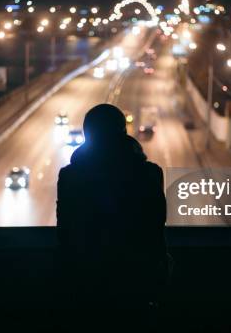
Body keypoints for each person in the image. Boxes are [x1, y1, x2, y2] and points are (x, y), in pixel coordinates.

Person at [56, 104, 169, 316]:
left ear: (87, 135)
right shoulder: (150, 174)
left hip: (85, 284)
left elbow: (65, 232)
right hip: (137, 283)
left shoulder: (70, 177)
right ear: (122, 132)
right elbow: (156, 228)